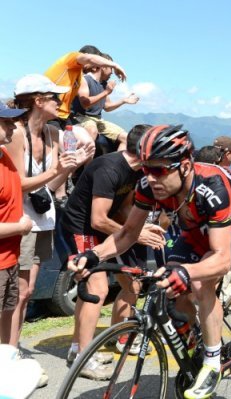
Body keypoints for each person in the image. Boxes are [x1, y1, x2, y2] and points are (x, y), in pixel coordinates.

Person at [68, 124, 231, 398]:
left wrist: (188, 272)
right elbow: (127, 234)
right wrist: (93, 255)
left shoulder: (212, 185)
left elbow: (222, 257)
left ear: (184, 166)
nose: (150, 177)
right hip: (195, 228)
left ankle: (212, 362)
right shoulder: (148, 184)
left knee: (199, 282)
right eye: (145, 168)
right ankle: (195, 334)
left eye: (159, 169)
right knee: (172, 292)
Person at [60, 125, 164, 379]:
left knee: (131, 284)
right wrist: (136, 234)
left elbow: (124, 210)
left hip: (104, 228)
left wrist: (141, 226)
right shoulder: (110, 169)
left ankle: (83, 348)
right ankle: (82, 358)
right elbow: (98, 220)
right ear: (144, 151)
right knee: (96, 290)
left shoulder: (135, 172)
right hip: (81, 227)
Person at [5, 76, 81, 388]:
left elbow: (48, 185)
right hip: (19, 220)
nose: (60, 101)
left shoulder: (52, 133)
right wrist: (54, 170)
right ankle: (8, 355)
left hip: (43, 219)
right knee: (18, 294)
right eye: (54, 97)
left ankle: (12, 351)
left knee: (27, 291)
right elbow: (14, 184)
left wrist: (70, 167)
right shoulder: (16, 134)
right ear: (37, 100)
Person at [0, 101, 32, 347]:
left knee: (7, 313)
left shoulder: (6, 156)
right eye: (6, 122)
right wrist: (20, 228)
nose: (13, 127)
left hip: (10, 258)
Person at [44, 46, 127, 129]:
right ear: (85, 56)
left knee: (86, 140)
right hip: (50, 113)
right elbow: (85, 103)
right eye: (95, 64)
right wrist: (115, 66)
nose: (95, 67)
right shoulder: (70, 58)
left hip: (64, 116)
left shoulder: (79, 75)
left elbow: (107, 106)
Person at [71, 52, 139, 152]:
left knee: (126, 138)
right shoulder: (85, 80)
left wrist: (123, 101)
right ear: (103, 67)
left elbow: (107, 106)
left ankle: (115, 164)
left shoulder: (103, 84)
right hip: (82, 117)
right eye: (110, 68)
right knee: (92, 131)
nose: (112, 72)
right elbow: (85, 103)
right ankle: (84, 165)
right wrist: (106, 92)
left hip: (98, 120)